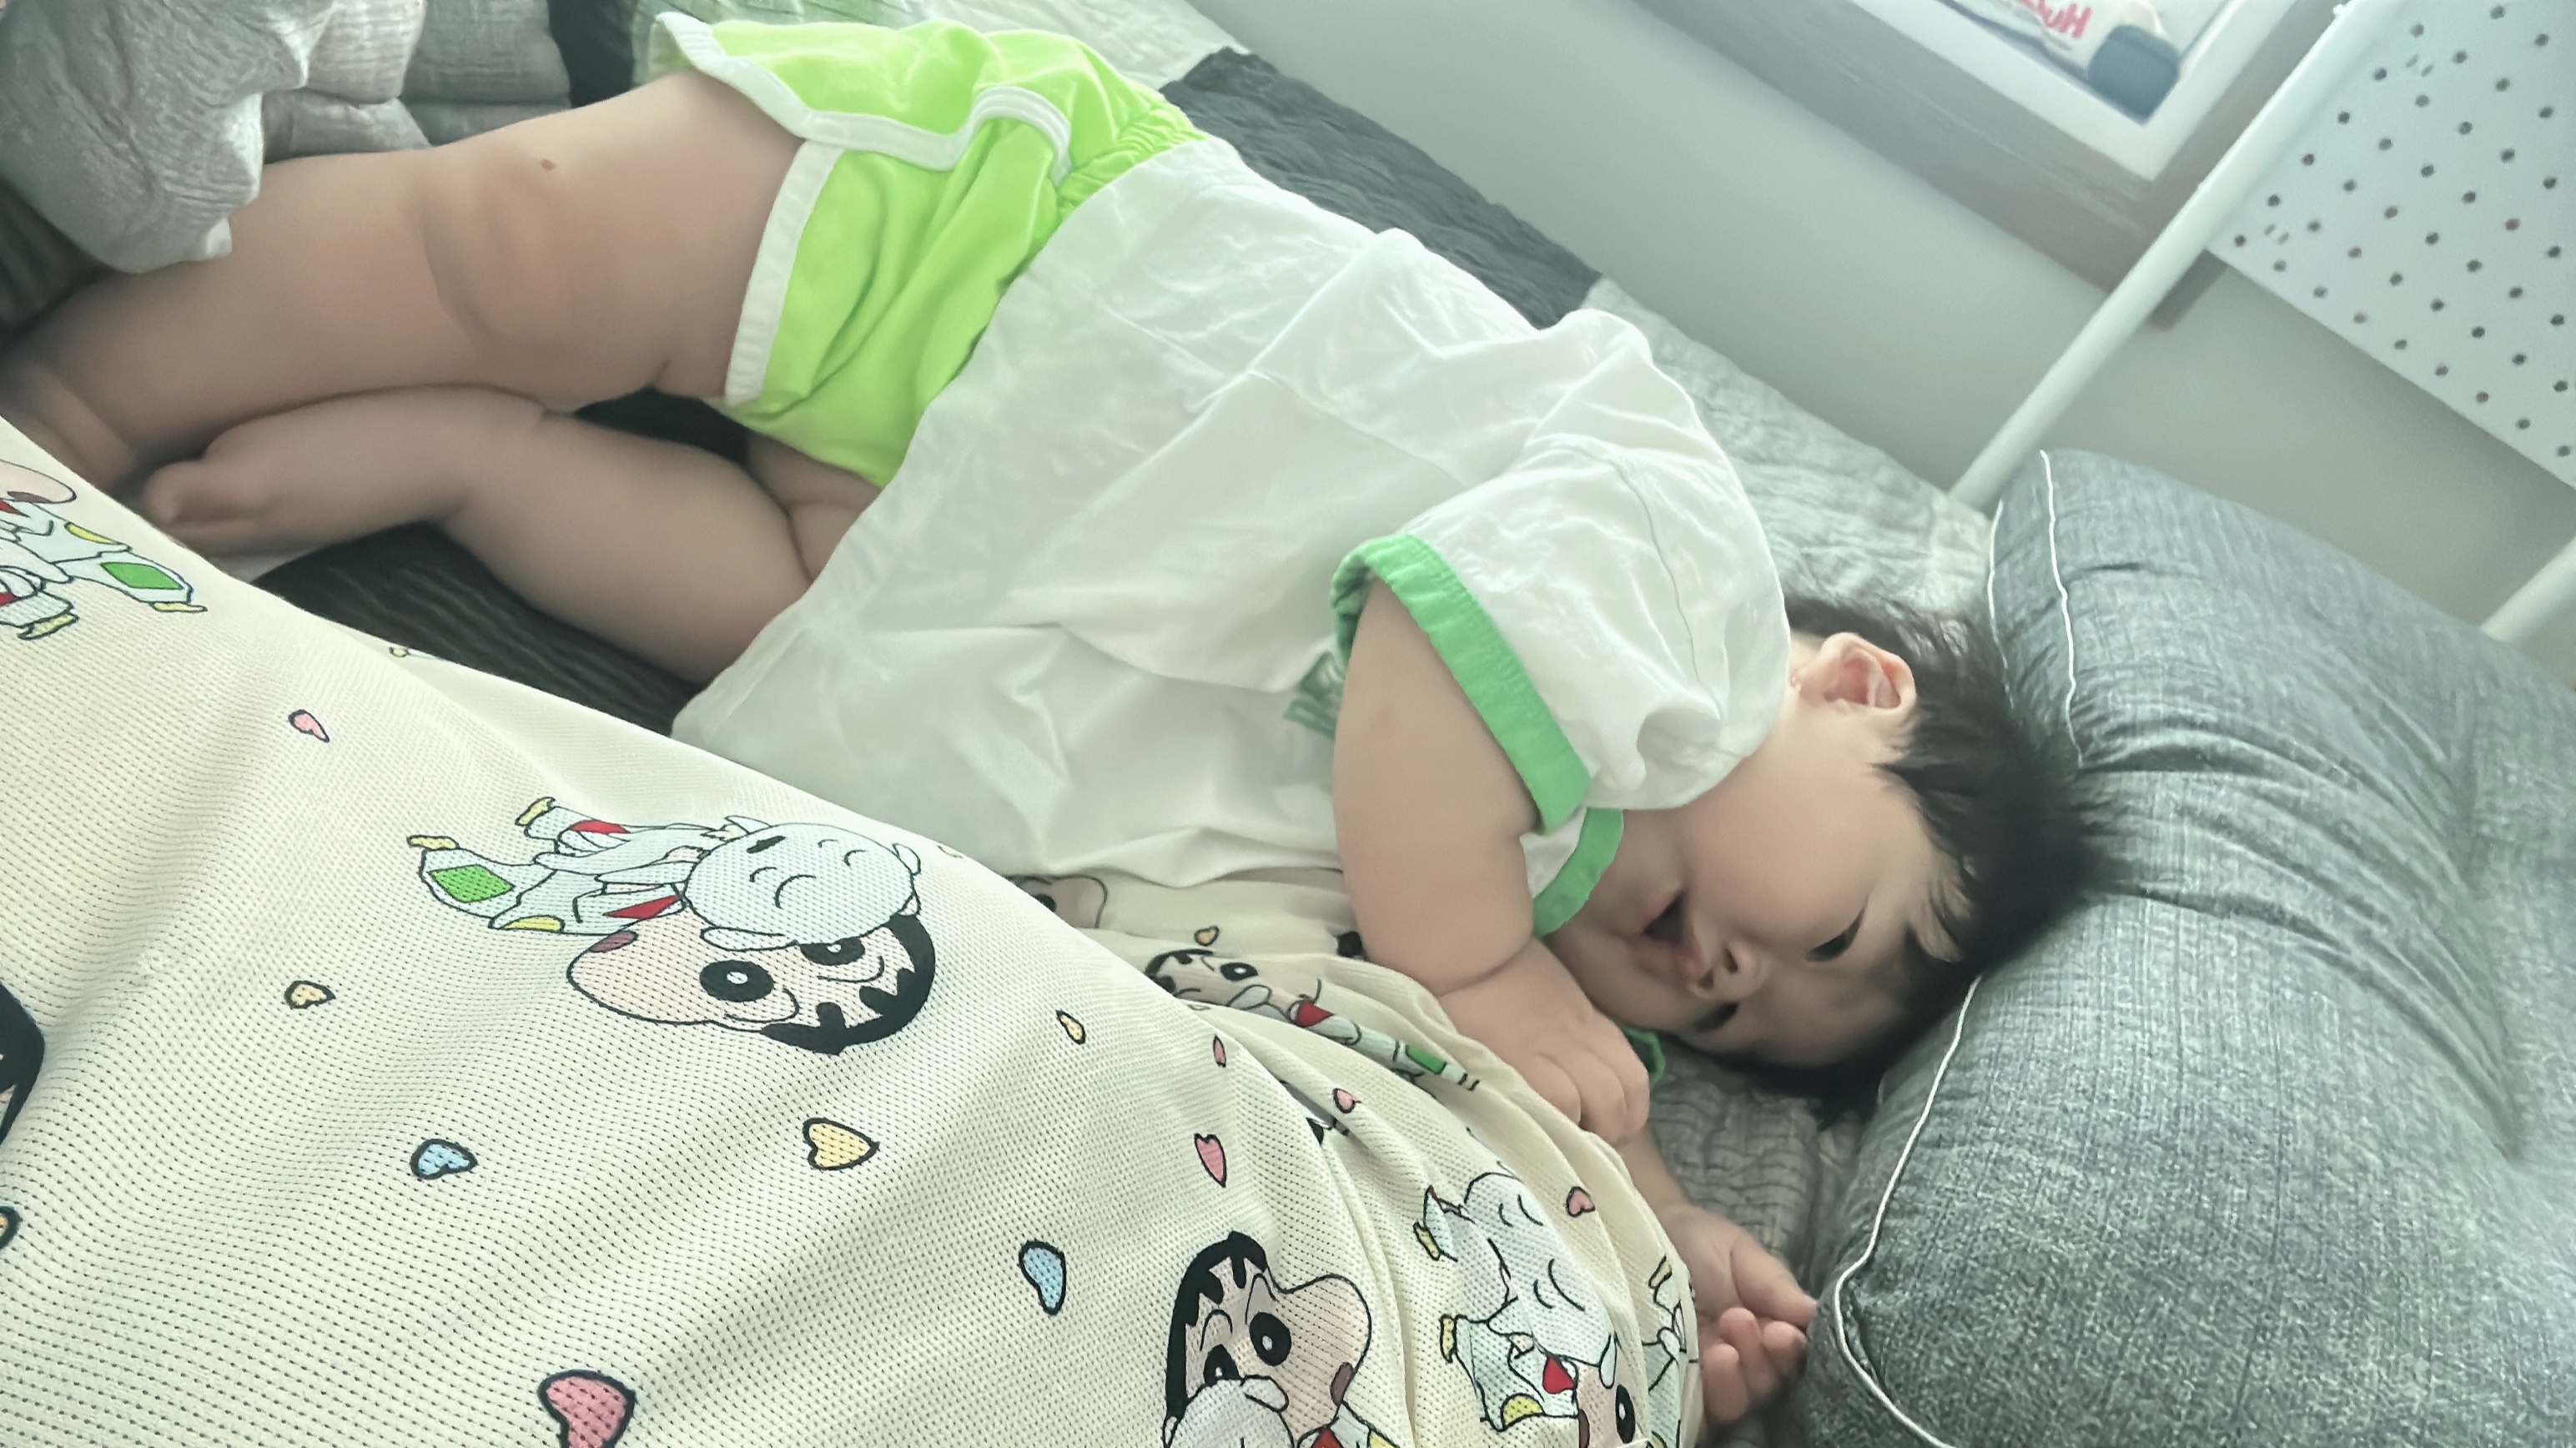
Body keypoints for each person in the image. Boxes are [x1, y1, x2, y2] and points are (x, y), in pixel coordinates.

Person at [0, 14, 2093, 1430]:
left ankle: (467, 460)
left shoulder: (1498, 892)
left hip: (944, 595)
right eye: (1831, 931)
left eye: (1751, 1033)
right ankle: (78, 401)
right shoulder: (1682, 594)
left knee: (754, 601)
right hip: (1004, 278)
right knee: (511, 249)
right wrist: (1481, 961)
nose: (1726, 982)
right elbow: (1429, 663)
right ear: (1852, 691)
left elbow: (1472, 1062)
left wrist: (1666, 1218)